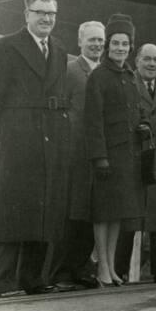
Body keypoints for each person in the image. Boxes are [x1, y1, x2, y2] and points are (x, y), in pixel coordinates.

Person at [0, 0, 71, 296]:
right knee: (13, 209)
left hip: (50, 137)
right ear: (26, 15)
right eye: (40, 12)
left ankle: (33, 279)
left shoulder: (58, 49)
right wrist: (6, 133)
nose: (46, 19)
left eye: (51, 14)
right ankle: (5, 282)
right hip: (19, 137)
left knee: (44, 207)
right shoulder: (4, 47)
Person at [84, 14, 145, 287]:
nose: (120, 48)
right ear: (108, 45)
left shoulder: (130, 76)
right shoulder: (99, 76)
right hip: (108, 157)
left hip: (128, 156)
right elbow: (93, 120)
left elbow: (137, 111)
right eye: (116, 43)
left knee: (117, 213)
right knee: (103, 214)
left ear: (130, 47)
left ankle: (109, 268)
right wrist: (100, 157)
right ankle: (103, 268)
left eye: (125, 44)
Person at [114, 43, 156, 283]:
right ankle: (119, 270)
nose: (152, 64)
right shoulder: (127, 85)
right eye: (147, 59)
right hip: (136, 157)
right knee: (130, 218)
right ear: (137, 61)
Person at [51, 20, 105, 290]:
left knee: (93, 212)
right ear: (80, 42)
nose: (96, 44)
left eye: (100, 40)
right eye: (91, 40)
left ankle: (81, 268)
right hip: (76, 152)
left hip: (101, 153)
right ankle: (62, 272)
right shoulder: (70, 70)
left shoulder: (107, 72)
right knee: (72, 213)